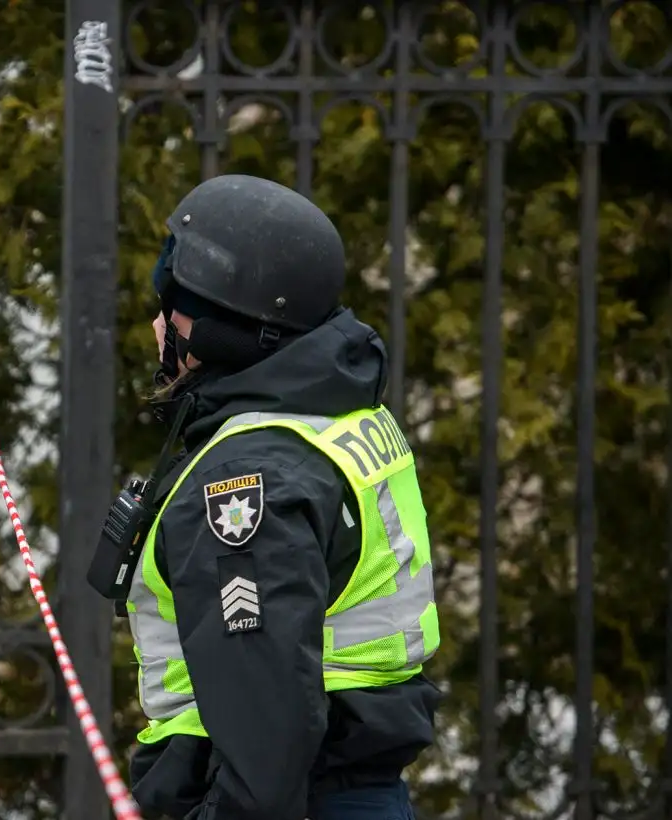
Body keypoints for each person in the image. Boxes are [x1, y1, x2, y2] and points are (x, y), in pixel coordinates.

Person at [111, 175, 442, 820]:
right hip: (353, 788)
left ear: (220, 329)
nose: (157, 324)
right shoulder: (331, 412)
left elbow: (267, 741)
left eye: (173, 306)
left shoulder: (248, 479)